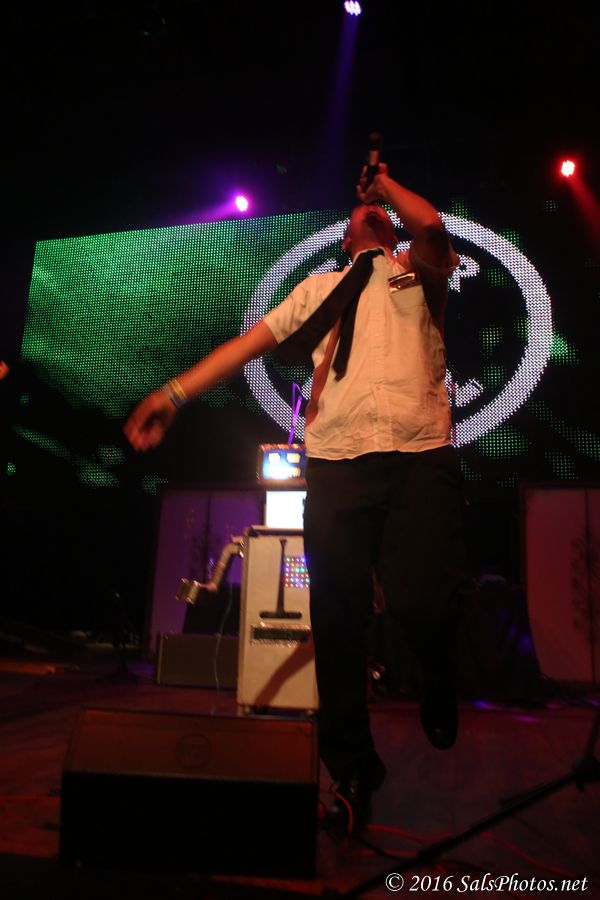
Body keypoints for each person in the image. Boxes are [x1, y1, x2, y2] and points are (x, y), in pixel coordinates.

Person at [124, 164, 468, 833]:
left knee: (425, 602)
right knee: (336, 621)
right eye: (361, 210)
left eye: (379, 209)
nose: (370, 212)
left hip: (419, 452)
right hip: (337, 459)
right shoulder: (316, 290)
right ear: (344, 237)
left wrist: (384, 185)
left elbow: (428, 223)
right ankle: (352, 771)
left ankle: (437, 671)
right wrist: (173, 394)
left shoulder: (419, 272)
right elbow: (246, 346)